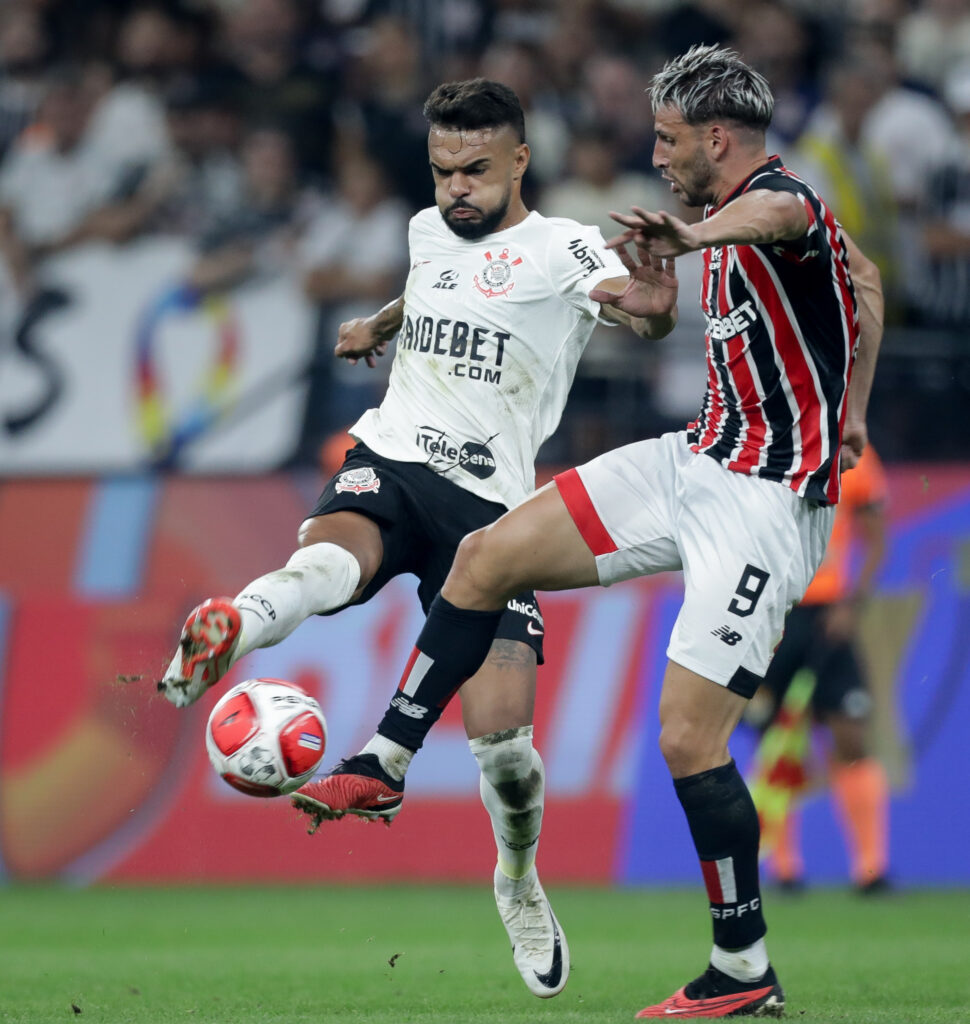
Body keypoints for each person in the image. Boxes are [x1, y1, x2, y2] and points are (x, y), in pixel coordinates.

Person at [304, 46, 883, 1019]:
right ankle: (385, 761)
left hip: (765, 504)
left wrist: (694, 237)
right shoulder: (719, 225)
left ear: (715, 139)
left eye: (666, 139)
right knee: (486, 556)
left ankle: (742, 969)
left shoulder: (779, 204)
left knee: (687, 739)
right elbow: (862, 286)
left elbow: (789, 218)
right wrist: (855, 407)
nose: (653, 154)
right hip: (690, 462)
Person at [158, 78, 679, 999]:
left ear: (519, 160)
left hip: (490, 510)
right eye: (443, 171)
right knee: (324, 561)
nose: (456, 190)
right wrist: (380, 325)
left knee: (506, 752)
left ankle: (516, 879)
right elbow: (435, 284)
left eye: (475, 171)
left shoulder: (564, 248)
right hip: (393, 456)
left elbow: (636, 308)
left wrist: (654, 297)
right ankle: (233, 627)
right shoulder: (426, 229)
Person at [752, 444, 890, 893]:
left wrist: (852, 605)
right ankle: (785, 868)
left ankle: (870, 870)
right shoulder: (766, 442)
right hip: (778, 611)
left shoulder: (856, 453)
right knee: (778, 740)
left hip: (831, 612)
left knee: (851, 733)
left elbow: (875, 536)